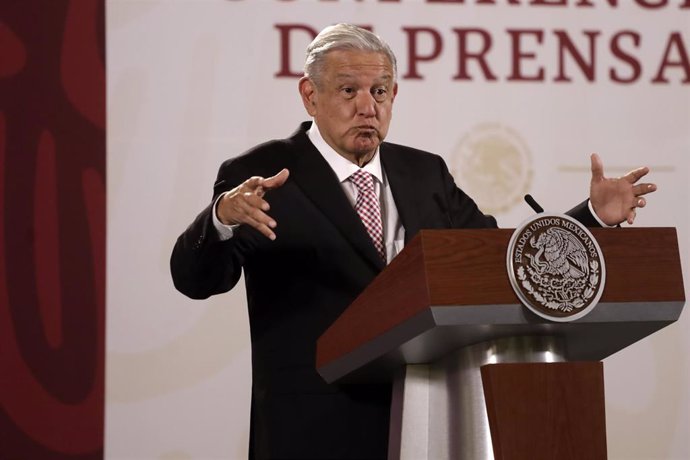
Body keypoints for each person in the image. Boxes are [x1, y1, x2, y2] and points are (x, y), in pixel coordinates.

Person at [170, 23, 656, 460]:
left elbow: (501, 264)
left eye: (380, 91)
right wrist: (220, 220)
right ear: (309, 95)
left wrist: (590, 217)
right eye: (348, 90)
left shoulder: (424, 173)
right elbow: (195, 280)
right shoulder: (261, 177)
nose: (368, 106)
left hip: (429, 424)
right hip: (313, 430)